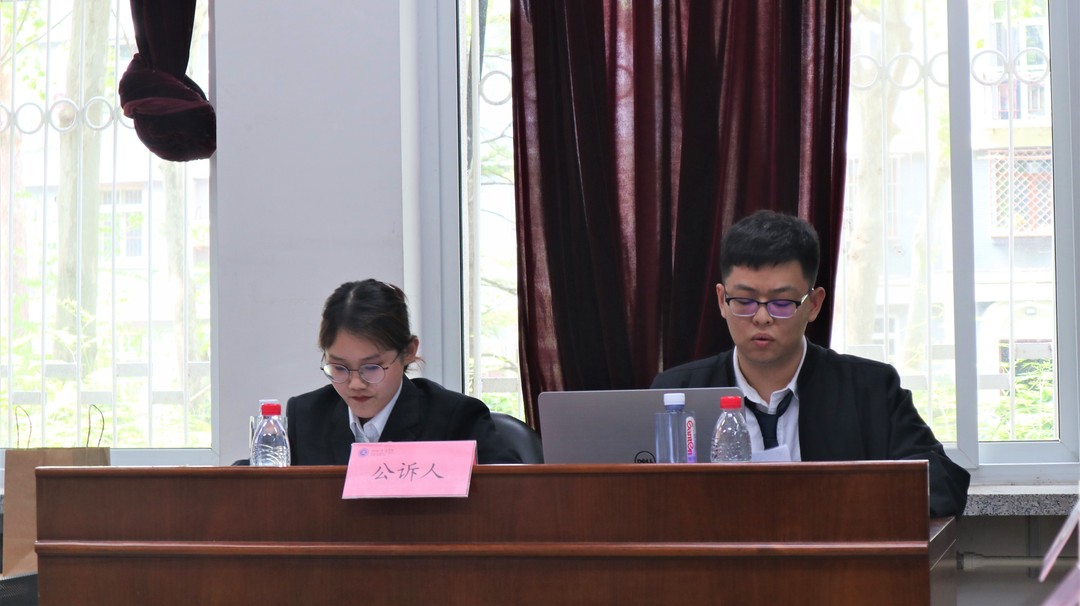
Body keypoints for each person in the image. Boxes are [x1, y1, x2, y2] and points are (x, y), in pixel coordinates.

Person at [651, 210, 970, 517]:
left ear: (814, 304)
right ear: (722, 301)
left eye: (781, 303)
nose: (761, 317)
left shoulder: (871, 389)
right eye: (744, 301)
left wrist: (841, 501)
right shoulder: (677, 393)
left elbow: (943, 483)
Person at [286, 279, 522, 465]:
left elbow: (511, 492)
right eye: (339, 368)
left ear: (408, 351)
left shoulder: (457, 419)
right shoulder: (306, 416)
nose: (355, 383)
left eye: (371, 368)